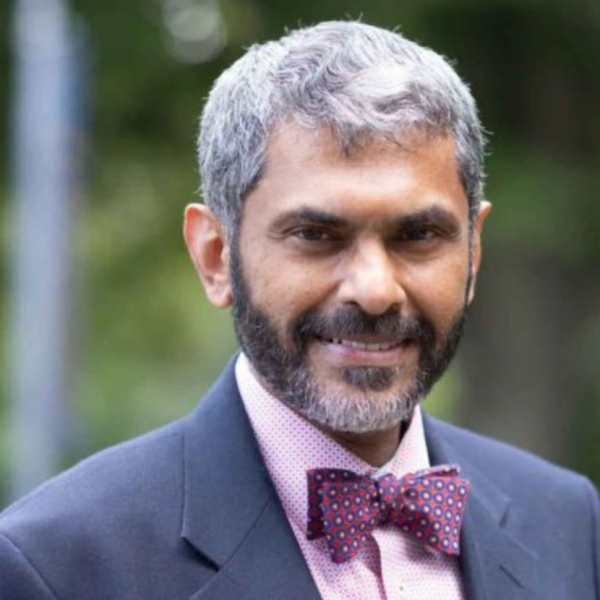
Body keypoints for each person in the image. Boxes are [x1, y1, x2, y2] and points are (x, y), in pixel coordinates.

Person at [0, 20, 598, 600]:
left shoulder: (568, 522)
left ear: (473, 252)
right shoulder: (54, 566)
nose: (375, 290)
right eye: (316, 235)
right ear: (215, 255)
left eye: (418, 235)